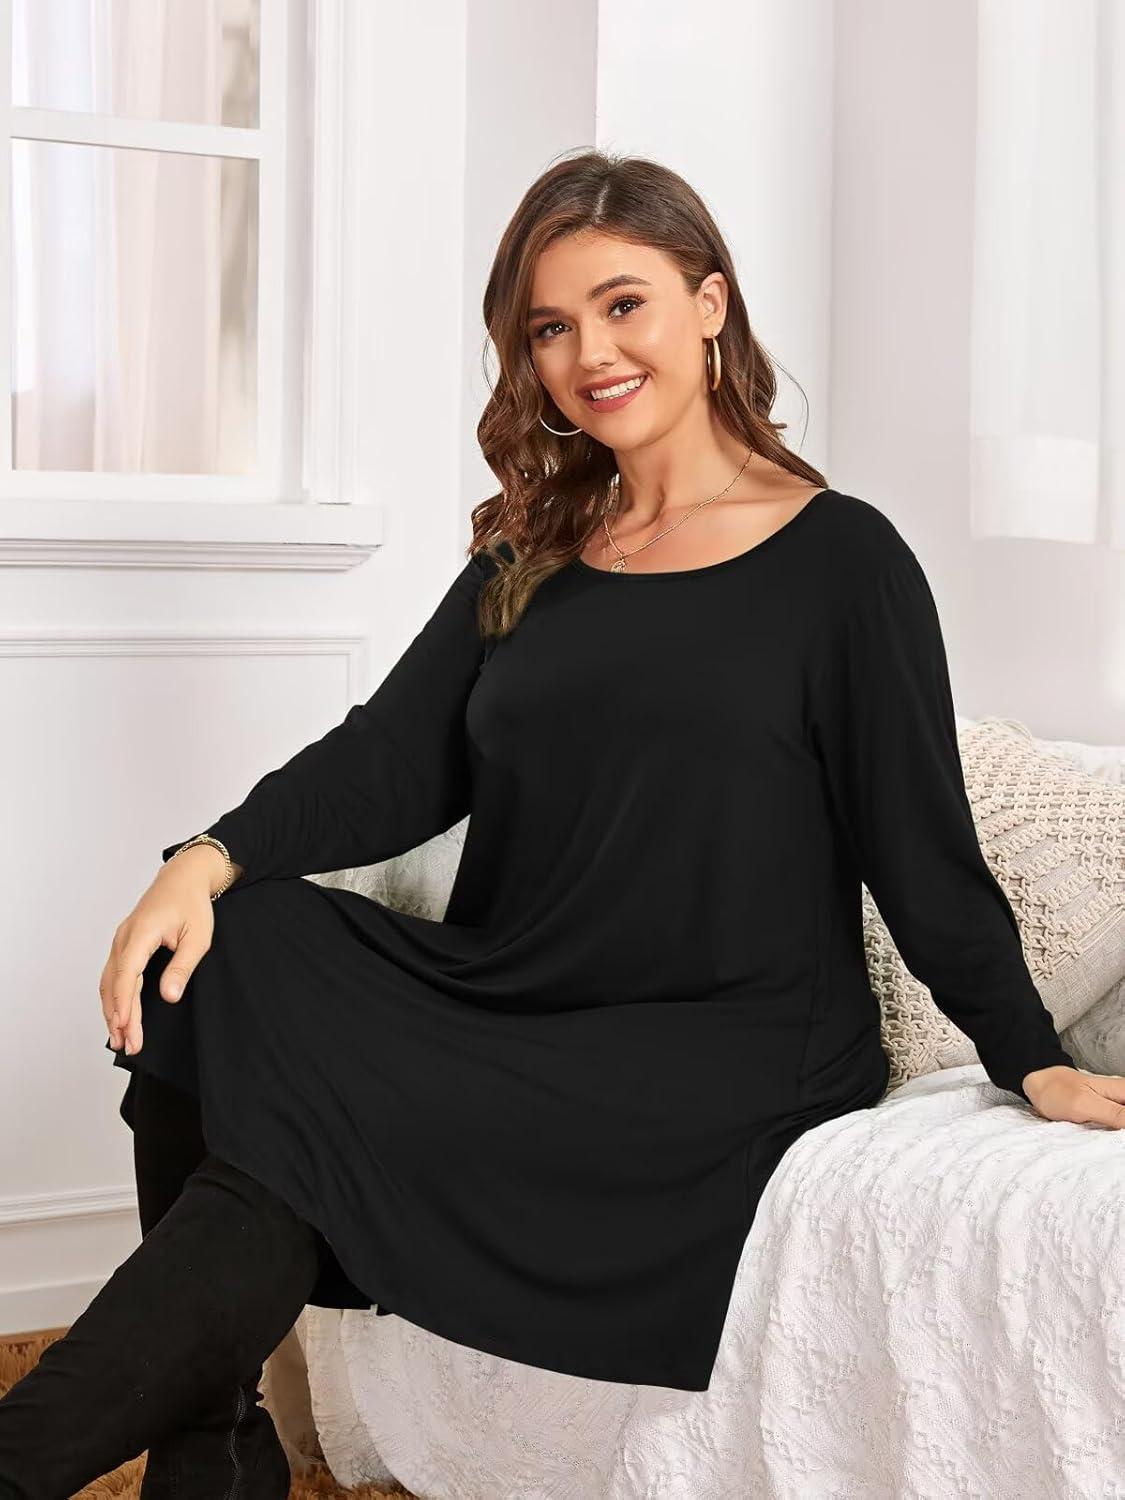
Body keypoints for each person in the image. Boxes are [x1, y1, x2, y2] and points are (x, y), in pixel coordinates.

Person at [2, 148, 1119, 1499]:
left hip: (718, 1045)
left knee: (293, 1136)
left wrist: (1028, 1057)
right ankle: (210, 1445)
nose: (588, 353)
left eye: (622, 304)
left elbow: (919, 845)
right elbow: (391, 760)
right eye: (549, 326)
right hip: (519, 992)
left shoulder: (844, 561)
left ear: (710, 304)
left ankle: (121, 1459)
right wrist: (206, 856)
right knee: (227, 947)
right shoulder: (530, 548)